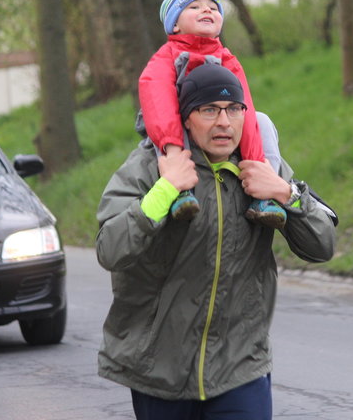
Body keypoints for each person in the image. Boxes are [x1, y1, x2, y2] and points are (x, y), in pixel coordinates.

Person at [96, 64, 337, 420]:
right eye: (209, 110)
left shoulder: (262, 167)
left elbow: (323, 245)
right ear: (186, 119)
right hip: (159, 367)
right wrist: (165, 191)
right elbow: (109, 248)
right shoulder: (150, 167)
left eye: (233, 109)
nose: (224, 122)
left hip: (240, 366)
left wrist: (286, 194)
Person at [138, 0, 286, 229]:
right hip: (173, 127)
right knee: (171, 125)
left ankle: (265, 188)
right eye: (194, 6)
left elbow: (243, 109)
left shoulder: (227, 59)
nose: (206, 10)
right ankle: (181, 192)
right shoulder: (166, 58)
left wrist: (255, 159)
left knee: (261, 120)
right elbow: (158, 101)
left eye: (213, 8)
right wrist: (174, 151)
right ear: (174, 24)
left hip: (217, 125)